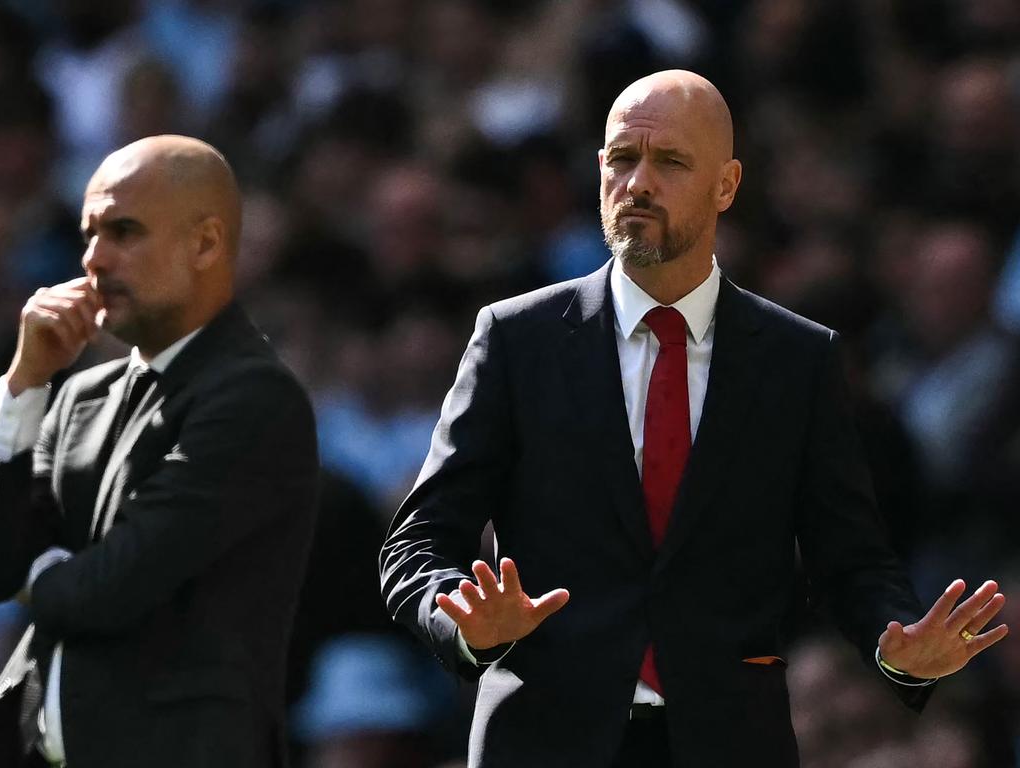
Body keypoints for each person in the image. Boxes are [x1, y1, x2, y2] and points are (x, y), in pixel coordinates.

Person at [379, 71, 1008, 767]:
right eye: (622, 158)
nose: (638, 182)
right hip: (542, 742)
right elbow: (419, 543)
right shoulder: (514, 339)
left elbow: (850, 559)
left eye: (670, 161)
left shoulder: (799, 359)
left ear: (726, 185)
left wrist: (896, 643)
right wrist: (463, 621)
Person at [0, 135, 319, 768]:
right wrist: (23, 385)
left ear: (205, 243)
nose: (94, 259)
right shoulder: (81, 395)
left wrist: (37, 576)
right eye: (89, 234)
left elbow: (112, 586)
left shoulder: (255, 397)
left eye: (124, 231)